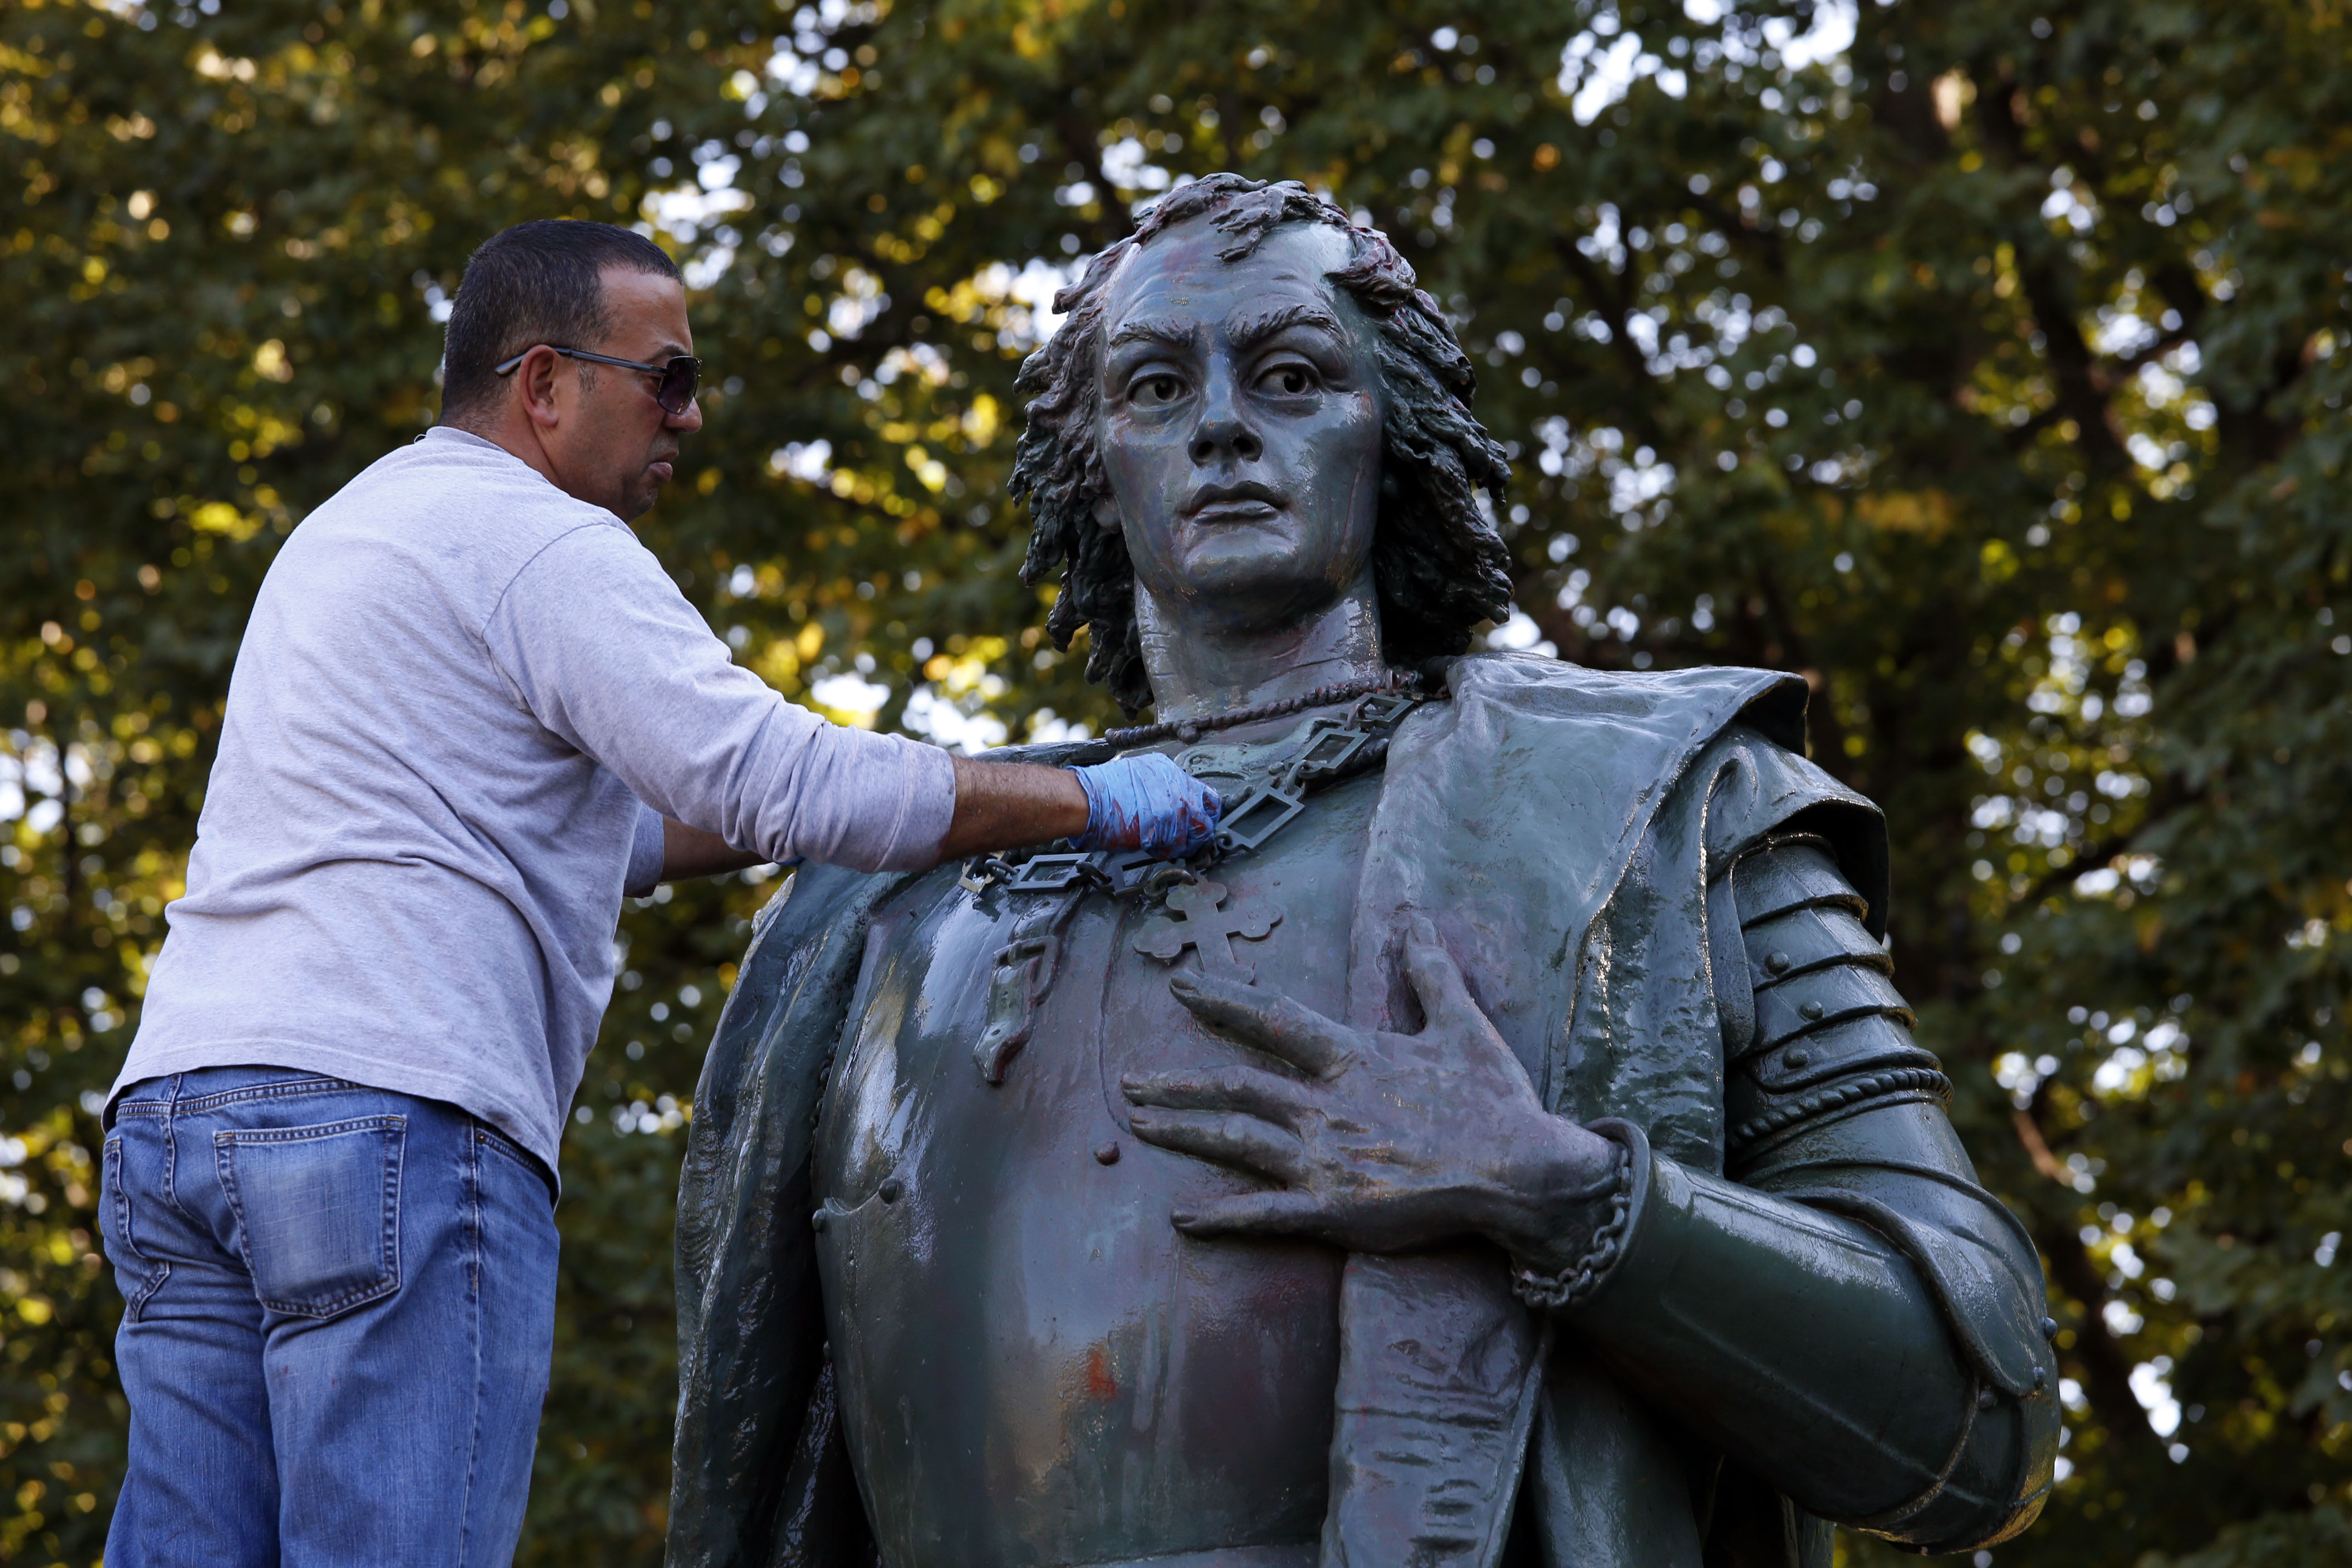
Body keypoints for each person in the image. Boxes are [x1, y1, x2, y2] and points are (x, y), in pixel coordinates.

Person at [666, 177, 2058, 1568]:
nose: (1221, 424)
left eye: (1290, 374)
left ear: (1396, 431)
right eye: (1155, 387)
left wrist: (1571, 1195)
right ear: (1095, 462)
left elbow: (1979, 1422)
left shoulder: (1662, 803)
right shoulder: (871, 905)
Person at [95, 218, 1217, 1568]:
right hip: (388, 1121)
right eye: (667, 376)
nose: (691, 415)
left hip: (181, 1122)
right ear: (545, 384)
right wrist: (1090, 798)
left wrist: (832, 814)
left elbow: (610, 828)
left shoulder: (355, 533)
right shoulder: (536, 543)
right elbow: (772, 775)